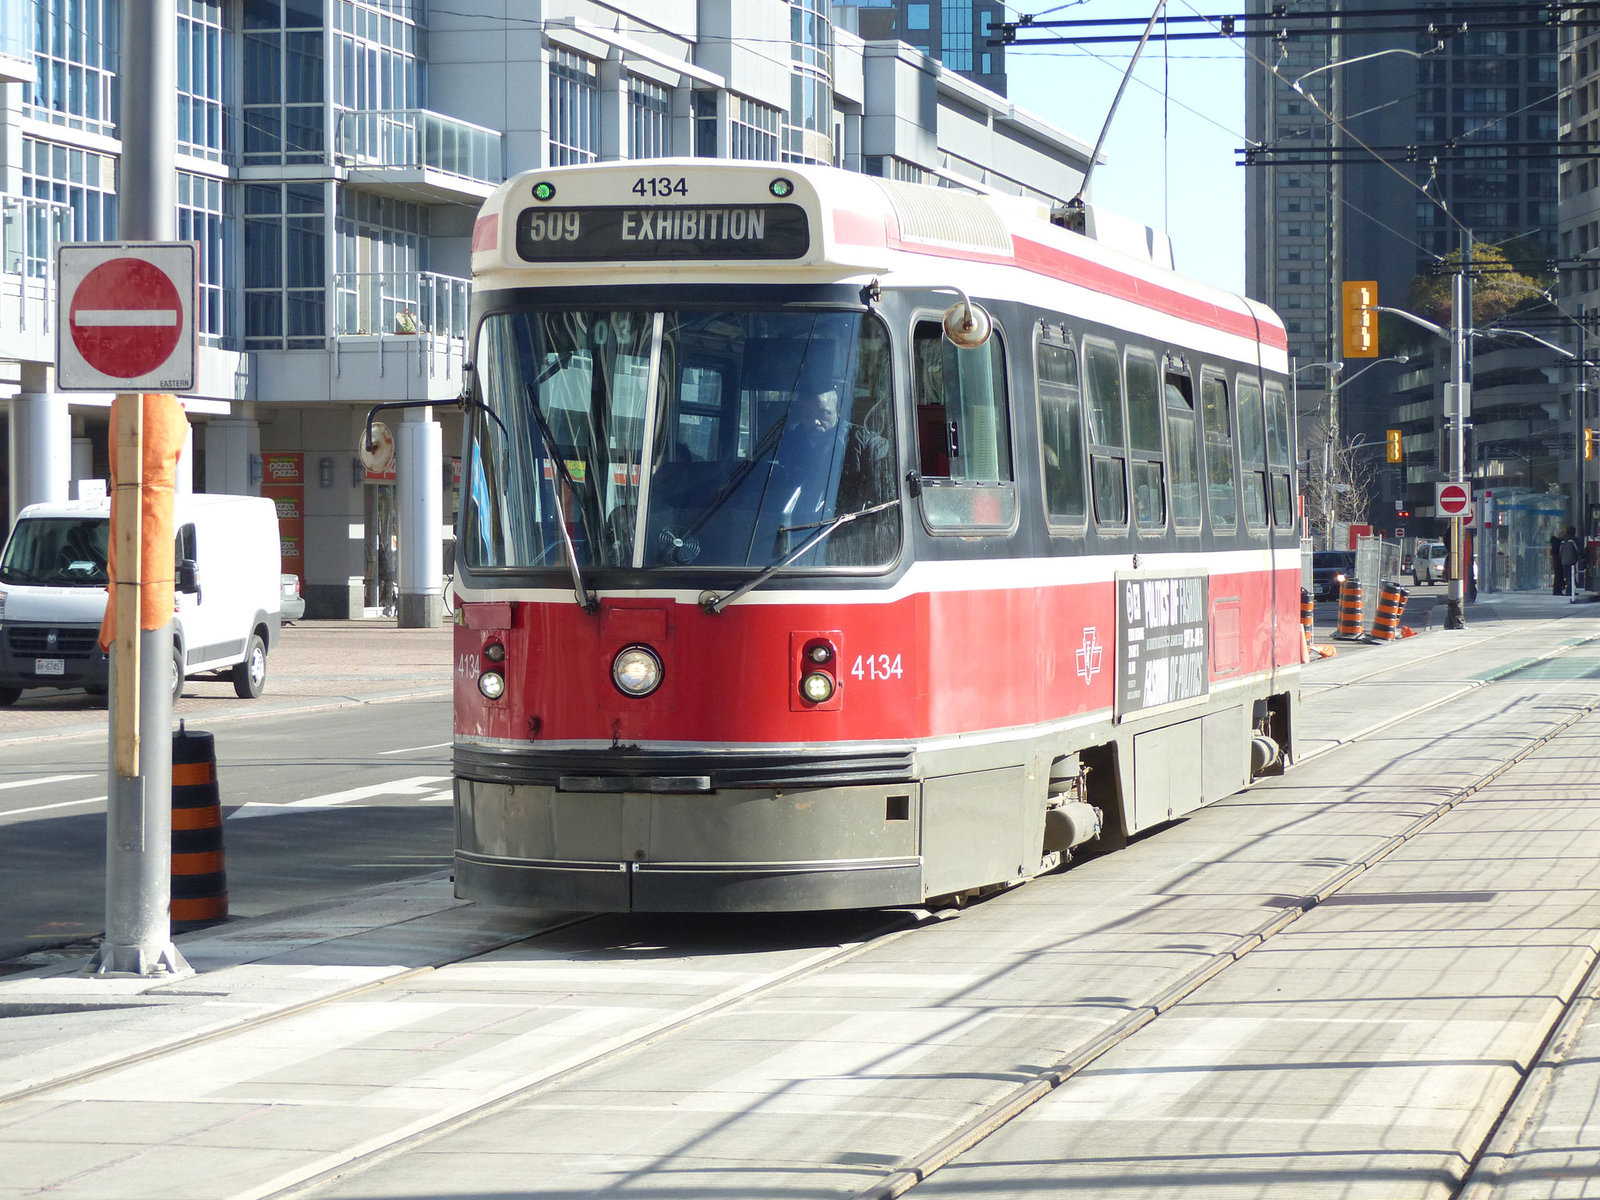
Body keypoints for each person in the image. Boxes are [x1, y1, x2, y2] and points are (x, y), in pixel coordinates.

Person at [1559, 524, 1582, 596]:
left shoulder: (1563, 540)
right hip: (1571, 560)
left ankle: (1568, 590)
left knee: (1567, 576)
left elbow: (1560, 551)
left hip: (1564, 561)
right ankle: (1570, 591)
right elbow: (1578, 550)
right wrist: (1579, 556)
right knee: (1571, 576)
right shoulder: (1573, 540)